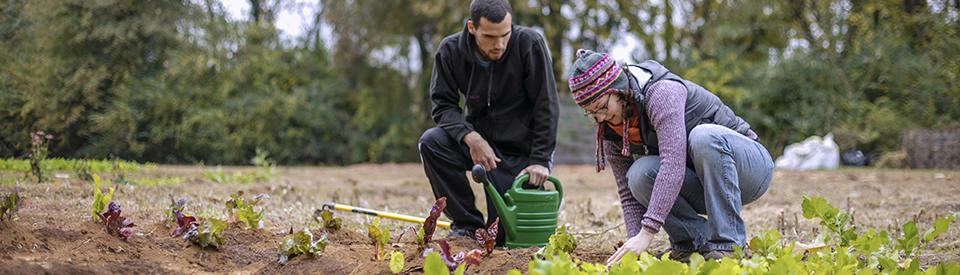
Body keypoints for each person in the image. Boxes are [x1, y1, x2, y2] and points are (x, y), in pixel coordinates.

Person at [565, 49, 774, 264]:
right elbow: (628, 195)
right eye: (592, 113)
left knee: (703, 136)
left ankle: (728, 245)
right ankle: (692, 244)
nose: (601, 117)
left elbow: (672, 164)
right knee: (640, 175)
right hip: (704, 183)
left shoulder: (661, 93)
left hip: (749, 171)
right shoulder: (611, 131)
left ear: (618, 89)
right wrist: (635, 250)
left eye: (602, 107)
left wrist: (647, 233)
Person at [418, 0, 559, 244]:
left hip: (518, 154)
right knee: (431, 142)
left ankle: (495, 222)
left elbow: (546, 106)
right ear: (472, 27)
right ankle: (466, 225)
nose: (499, 45)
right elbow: (443, 106)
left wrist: (539, 159)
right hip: (478, 143)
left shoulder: (530, 44)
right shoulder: (450, 51)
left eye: (505, 34)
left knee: (502, 237)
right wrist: (470, 137)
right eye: (490, 37)